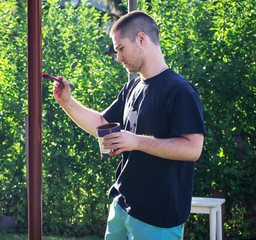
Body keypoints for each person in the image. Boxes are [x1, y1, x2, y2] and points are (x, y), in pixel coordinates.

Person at [52, 10, 206, 240]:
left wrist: (135, 141)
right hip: (122, 208)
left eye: (120, 48)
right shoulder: (132, 88)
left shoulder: (179, 91)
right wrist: (67, 102)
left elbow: (193, 149)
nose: (118, 58)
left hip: (157, 219)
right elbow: (102, 124)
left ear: (141, 39)